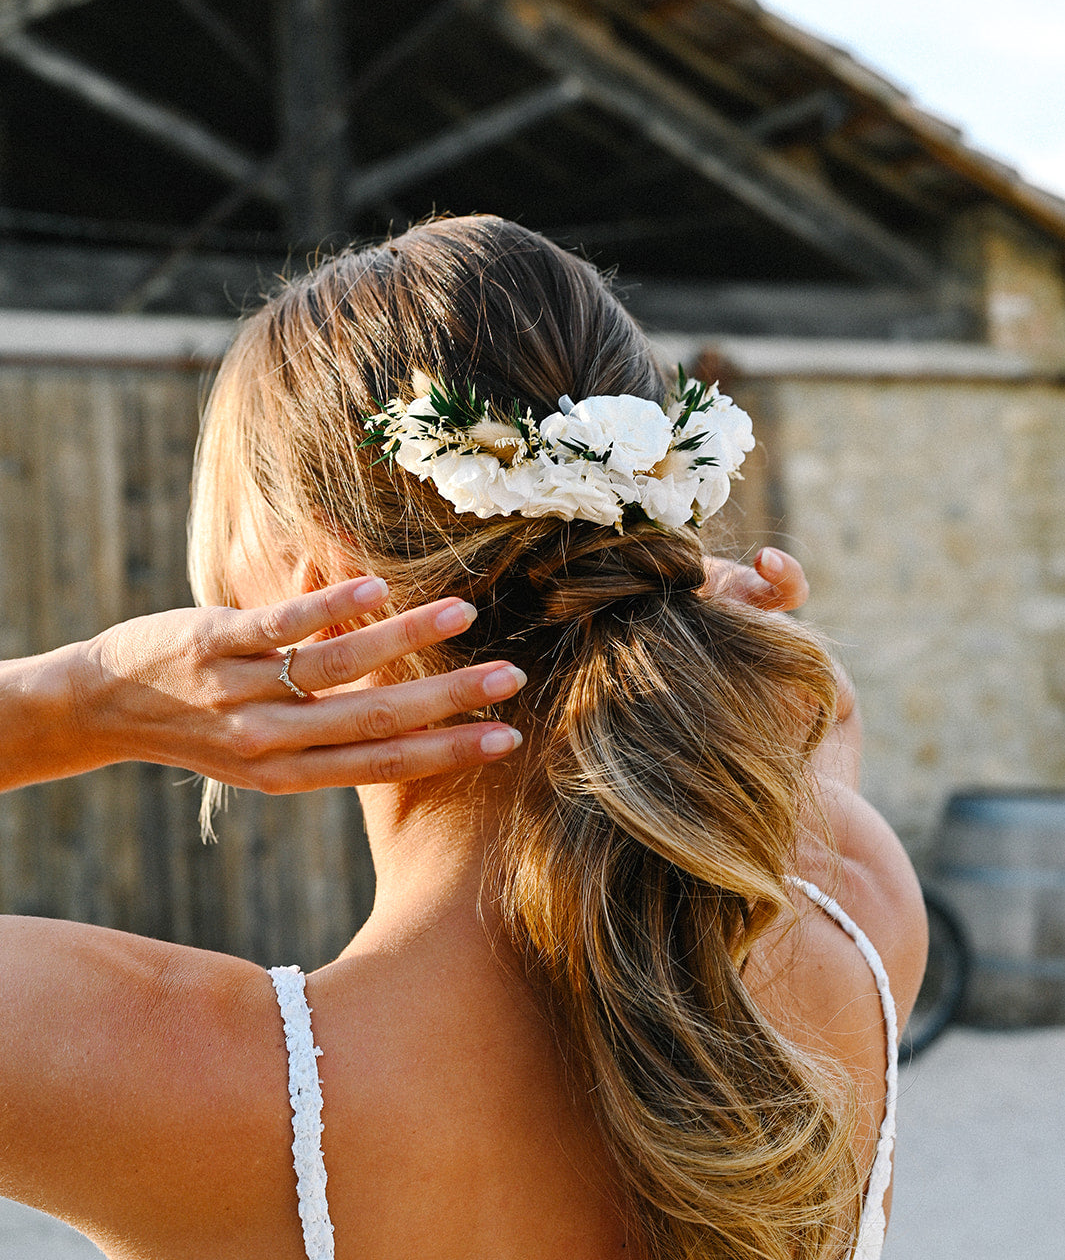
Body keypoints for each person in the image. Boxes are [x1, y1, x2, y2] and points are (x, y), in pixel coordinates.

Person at [0, 216, 926, 1260]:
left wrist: (75, 698)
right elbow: (824, 715)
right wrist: (701, 651)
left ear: (328, 609)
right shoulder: (857, 915)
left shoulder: (187, 1080)